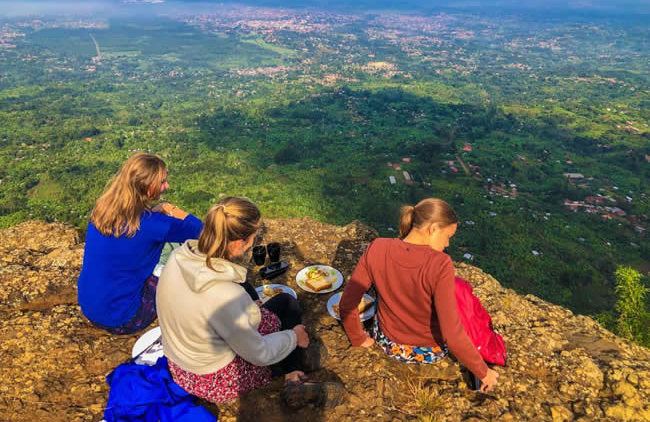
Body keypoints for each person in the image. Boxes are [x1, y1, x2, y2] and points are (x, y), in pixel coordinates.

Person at [156, 196, 343, 407]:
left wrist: (249, 308)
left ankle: (293, 363)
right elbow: (258, 354)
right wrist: (294, 336)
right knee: (287, 305)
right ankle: (294, 376)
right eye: (255, 236)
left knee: (281, 303)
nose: (256, 241)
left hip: (181, 366)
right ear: (239, 243)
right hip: (214, 378)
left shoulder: (179, 256)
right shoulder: (223, 294)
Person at [339, 198, 499, 392]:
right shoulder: (440, 264)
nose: (448, 244)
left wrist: (358, 338)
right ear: (433, 229)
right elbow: (453, 333)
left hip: (387, 342)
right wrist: (483, 372)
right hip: (427, 351)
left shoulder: (377, 247)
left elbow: (347, 302)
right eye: (448, 236)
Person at [78, 153, 203, 335]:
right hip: (125, 318)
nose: (166, 186)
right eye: (162, 182)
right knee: (186, 252)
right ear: (147, 186)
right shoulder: (154, 224)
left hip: (90, 308)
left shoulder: (101, 211)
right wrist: (170, 209)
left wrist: (153, 212)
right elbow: (200, 230)